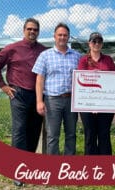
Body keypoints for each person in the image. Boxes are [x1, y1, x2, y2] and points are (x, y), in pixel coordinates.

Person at [0, 18, 46, 186]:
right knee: (19, 130)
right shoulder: (13, 48)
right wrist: (2, 85)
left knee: (34, 130)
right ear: (24, 30)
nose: (32, 32)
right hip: (18, 94)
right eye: (29, 29)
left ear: (38, 32)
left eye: (35, 29)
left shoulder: (43, 51)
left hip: (37, 95)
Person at [32, 23, 81, 155]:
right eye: (60, 35)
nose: (62, 37)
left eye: (65, 35)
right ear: (54, 36)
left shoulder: (76, 56)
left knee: (71, 134)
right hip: (52, 100)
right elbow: (39, 79)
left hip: (71, 100)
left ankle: (68, 164)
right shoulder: (45, 55)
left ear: (69, 37)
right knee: (53, 135)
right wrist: (39, 101)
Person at [77, 32, 115, 155]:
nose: (96, 44)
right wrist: (93, 104)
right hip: (88, 105)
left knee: (104, 134)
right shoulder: (83, 60)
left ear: (102, 44)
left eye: (99, 41)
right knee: (90, 135)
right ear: (89, 43)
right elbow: (81, 82)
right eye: (94, 41)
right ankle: (90, 166)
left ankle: (105, 166)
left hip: (106, 105)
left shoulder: (108, 60)